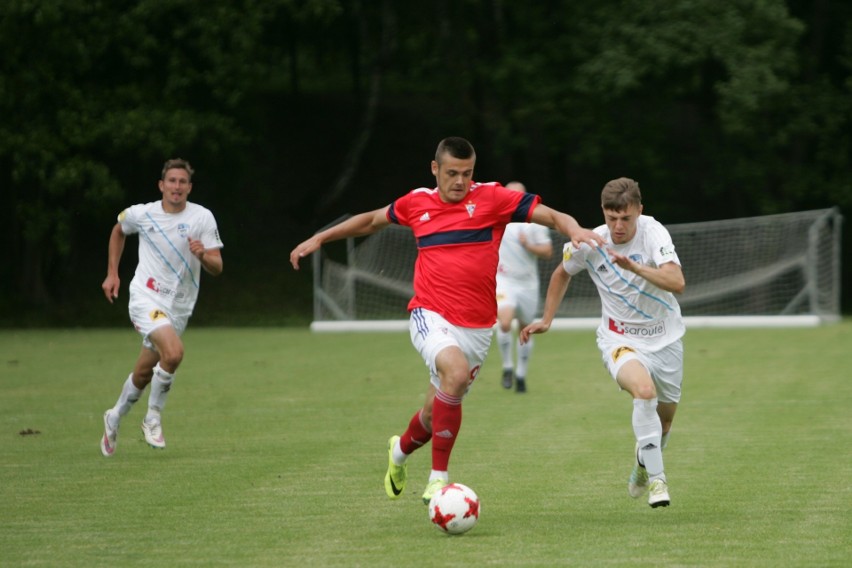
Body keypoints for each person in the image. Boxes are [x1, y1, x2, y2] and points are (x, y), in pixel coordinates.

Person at [289, 137, 604, 504]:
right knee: (453, 374)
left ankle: (399, 453)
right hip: (430, 313)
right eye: (452, 173)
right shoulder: (416, 203)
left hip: (477, 327)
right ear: (435, 169)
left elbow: (551, 215)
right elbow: (371, 221)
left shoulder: (492, 198)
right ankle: (439, 480)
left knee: (431, 412)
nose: (460, 181)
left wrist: (576, 229)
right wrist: (320, 238)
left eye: (467, 174)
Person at [521, 177, 685, 508]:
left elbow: (676, 281)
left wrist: (636, 267)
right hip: (618, 339)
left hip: (666, 339)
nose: (619, 226)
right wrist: (547, 318)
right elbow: (561, 273)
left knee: (665, 422)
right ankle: (658, 482)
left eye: (626, 218)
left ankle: (643, 464)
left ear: (640, 209)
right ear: (603, 213)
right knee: (644, 392)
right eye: (612, 218)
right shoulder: (590, 243)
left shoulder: (654, 233)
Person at [99, 158, 223, 457]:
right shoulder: (143, 214)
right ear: (161, 185)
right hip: (146, 298)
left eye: (182, 182)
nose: (176, 187)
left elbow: (217, 267)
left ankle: (114, 416)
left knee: (143, 373)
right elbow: (119, 230)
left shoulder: (202, 218)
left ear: (189, 187)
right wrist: (112, 273)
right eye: (172, 181)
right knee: (175, 353)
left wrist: (203, 254)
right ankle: (153, 417)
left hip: (179, 307)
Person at [495, 181, 553, 393]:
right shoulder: (497, 218)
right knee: (504, 322)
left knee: (526, 329)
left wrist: (528, 245)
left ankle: (521, 375)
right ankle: (507, 367)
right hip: (504, 281)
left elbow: (547, 251)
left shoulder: (534, 221)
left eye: (517, 195)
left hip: (528, 284)